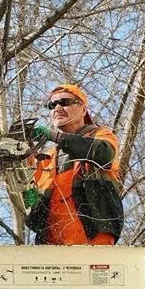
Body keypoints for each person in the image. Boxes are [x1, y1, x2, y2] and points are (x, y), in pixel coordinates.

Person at [23, 84, 123, 245]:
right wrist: (29, 197)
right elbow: (34, 218)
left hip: (93, 238)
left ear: (83, 110)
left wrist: (54, 136)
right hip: (53, 246)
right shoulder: (47, 158)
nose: (57, 108)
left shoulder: (100, 136)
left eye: (64, 102)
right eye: (52, 105)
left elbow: (104, 154)